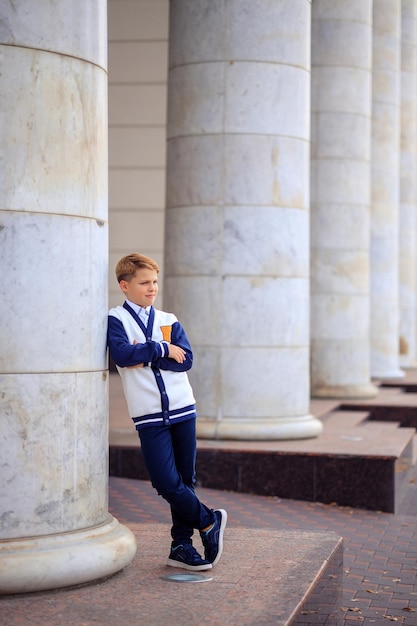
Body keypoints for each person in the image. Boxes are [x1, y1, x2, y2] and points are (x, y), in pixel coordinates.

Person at [107, 253, 227, 571]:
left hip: (183, 408)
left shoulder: (168, 319)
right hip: (148, 414)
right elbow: (121, 354)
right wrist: (160, 349)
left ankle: (181, 546)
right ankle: (208, 520)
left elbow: (185, 359)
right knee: (164, 481)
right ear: (125, 285)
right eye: (145, 282)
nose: (152, 288)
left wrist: (143, 355)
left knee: (185, 479)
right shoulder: (115, 320)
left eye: (155, 282)